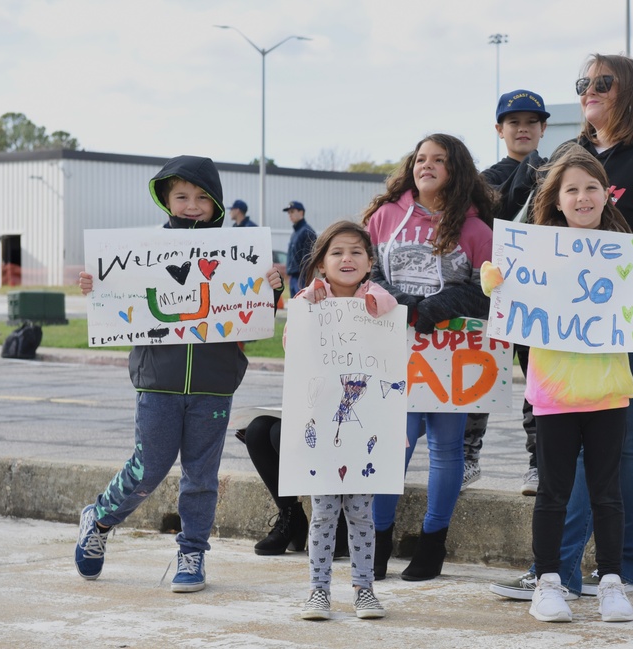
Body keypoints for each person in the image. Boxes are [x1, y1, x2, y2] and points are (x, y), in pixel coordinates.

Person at [490, 53, 633, 601]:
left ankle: (624, 570)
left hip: (631, 331)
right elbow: (529, 227)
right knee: (570, 453)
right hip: (563, 336)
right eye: (582, 82)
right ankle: (558, 571)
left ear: (628, 89)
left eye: (601, 82)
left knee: (630, 444)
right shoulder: (566, 156)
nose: (589, 89)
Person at [74, 155, 284, 592]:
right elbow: (116, 299)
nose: (192, 205)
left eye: (202, 198)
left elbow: (255, 315)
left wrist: (273, 287)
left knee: (201, 476)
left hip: (214, 384)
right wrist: (97, 288)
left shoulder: (239, 252)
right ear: (165, 200)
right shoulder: (138, 252)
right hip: (158, 382)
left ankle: (192, 553)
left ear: (217, 204)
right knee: (149, 467)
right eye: (182, 196)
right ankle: (99, 519)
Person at [482, 146, 633, 622]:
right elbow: (505, 295)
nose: (582, 196)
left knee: (606, 492)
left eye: (592, 187)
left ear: (606, 193)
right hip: (553, 391)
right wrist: (496, 282)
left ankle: (611, 583)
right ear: (556, 199)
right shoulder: (535, 248)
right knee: (553, 491)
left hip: (609, 389)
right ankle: (548, 582)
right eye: (572, 189)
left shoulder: (626, 248)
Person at [364, 133, 495, 581]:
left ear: (456, 170)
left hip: (451, 354)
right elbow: (368, 274)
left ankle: (432, 544)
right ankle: (377, 541)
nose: (427, 165)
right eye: (421, 158)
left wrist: (431, 309)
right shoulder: (383, 218)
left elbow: (485, 294)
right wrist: (401, 304)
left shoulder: (477, 230)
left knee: (445, 451)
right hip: (393, 351)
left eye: (439, 159)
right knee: (391, 448)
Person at [290, 220, 397, 620]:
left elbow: (390, 328)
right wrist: (308, 303)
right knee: (322, 514)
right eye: (336, 252)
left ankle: (364, 590)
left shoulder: (379, 299)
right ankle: (318, 591)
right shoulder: (309, 301)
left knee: (360, 513)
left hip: (364, 430)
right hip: (322, 428)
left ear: (370, 262)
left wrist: (375, 300)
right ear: (320, 263)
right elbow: (292, 346)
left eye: (355, 252)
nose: (346, 259)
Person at [464, 89, 551, 495]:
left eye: (531, 122)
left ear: (543, 128)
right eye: (514, 122)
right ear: (499, 129)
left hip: (538, 299)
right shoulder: (482, 182)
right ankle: (466, 457)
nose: (523, 129)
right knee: (481, 376)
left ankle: (539, 463)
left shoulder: (558, 175)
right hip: (491, 296)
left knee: (538, 380)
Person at [284, 200, 317, 297]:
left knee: (302, 306)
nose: (290, 214)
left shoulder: (307, 231)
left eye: (292, 212)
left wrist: (306, 280)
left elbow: (308, 259)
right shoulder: (295, 232)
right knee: (294, 308)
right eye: (289, 212)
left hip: (302, 277)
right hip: (294, 277)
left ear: (301, 212)